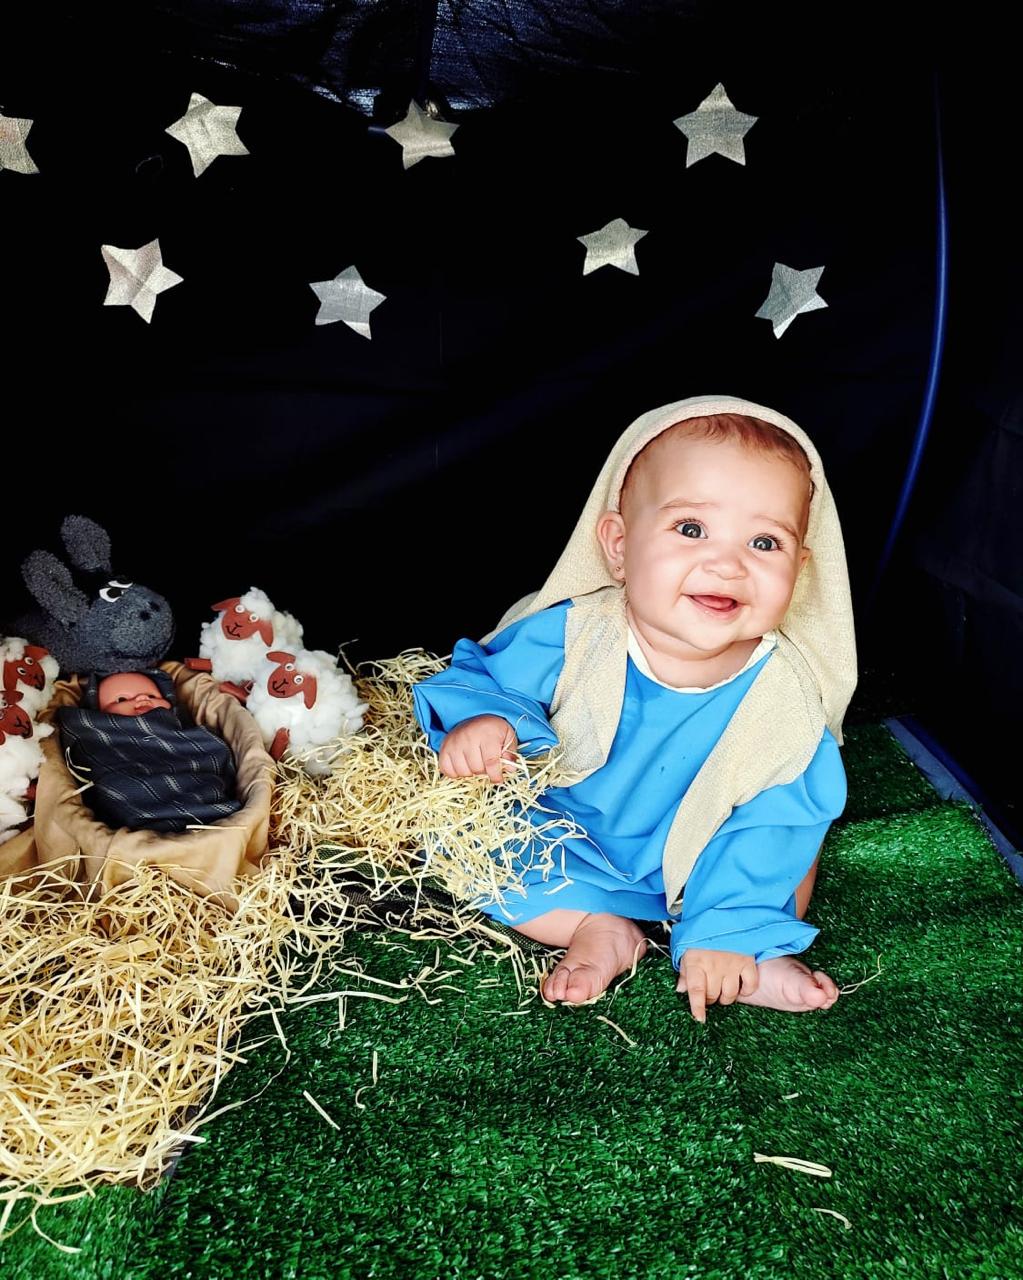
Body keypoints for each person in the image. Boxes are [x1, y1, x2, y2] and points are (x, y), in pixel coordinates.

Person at [412, 395, 857, 1022]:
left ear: (800, 568)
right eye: (691, 529)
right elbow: (487, 679)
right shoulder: (577, 634)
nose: (727, 564)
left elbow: (776, 823)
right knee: (467, 847)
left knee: (793, 854)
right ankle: (596, 925)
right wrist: (487, 725)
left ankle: (739, 945)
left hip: (706, 853)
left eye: (765, 542)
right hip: (568, 835)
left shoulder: (785, 696)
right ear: (619, 545)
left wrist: (726, 926)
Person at [56, 668, 243, 833]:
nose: (141, 699)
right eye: (122, 699)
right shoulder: (99, 737)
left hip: (198, 795)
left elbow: (212, 752)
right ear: (100, 714)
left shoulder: (187, 734)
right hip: (130, 795)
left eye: (152, 696)